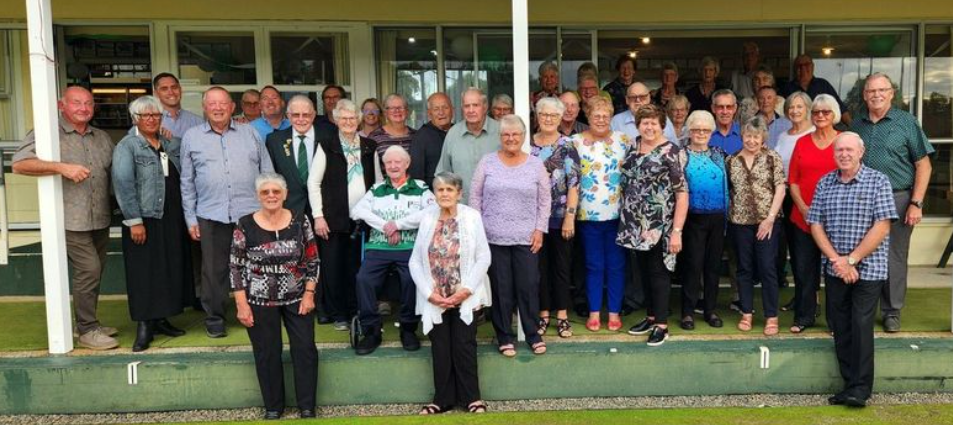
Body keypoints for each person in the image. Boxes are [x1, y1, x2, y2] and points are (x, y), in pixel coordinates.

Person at [12, 86, 119, 350]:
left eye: (88, 104)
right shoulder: (48, 134)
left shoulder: (101, 137)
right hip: (71, 218)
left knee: (95, 272)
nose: (83, 108)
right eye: (76, 103)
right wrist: (61, 167)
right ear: (62, 106)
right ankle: (86, 330)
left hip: (100, 217)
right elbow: (19, 163)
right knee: (89, 269)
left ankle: (88, 321)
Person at [808, 132, 897, 408]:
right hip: (836, 269)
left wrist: (853, 259)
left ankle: (861, 388)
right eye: (839, 150)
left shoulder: (878, 181)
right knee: (841, 327)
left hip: (868, 269)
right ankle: (849, 385)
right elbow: (815, 225)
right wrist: (838, 260)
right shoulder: (825, 183)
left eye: (849, 150)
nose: (844, 154)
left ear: (861, 152)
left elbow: (883, 225)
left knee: (860, 325)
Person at [180, 86, 275, 338]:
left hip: (251, 214)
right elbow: (187, 182)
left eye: (223, 103)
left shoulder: (250, 133)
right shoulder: (191, 137)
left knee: (257, 265)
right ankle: (215, 317)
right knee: (214, 270)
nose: (218, 108)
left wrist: (270, 210)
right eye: (212, 104)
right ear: (204, 107)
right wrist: (191, 218)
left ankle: (260, 310)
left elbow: (267, 173)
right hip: (211, 214)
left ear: (232, 107)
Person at [230, 173, 319, 420]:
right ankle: (273, 407)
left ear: (285, 194)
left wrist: (309, 293)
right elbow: (235, 267)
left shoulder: (300, 221)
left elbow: (312, 260)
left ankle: (307, 406)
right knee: (267, 352)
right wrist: (241, 304)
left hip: (297, 297)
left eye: (276, 191)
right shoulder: (245, 224)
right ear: (258, 196)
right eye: (265, 192)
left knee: (305, 350)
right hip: (258, 300)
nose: (271, 196)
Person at [851, 72, 934, 333]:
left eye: (881, 90)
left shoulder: (906, 122)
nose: (876, 95)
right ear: (864, 95)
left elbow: (924, 165)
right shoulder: (857, 125)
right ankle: (865, 307)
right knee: (863, 252)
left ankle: (891, 311)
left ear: (891, 93)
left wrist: (916, 203)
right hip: (863, 198)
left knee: (894, 256)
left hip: (899, 197)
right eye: (870, 91)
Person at [112, 96, 192, 352]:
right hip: (144, 218)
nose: (151, 120)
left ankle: (161, 318)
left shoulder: (168, 143)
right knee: (144, 272)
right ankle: (145, 323)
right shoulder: (128, 146)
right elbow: (123, 185)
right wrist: (135, 221)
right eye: (145, 116)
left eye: (156, 115)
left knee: (166, 268)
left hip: (170, 217)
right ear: (135, 118)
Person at [410, 171, 490, 415]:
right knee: (440, 348)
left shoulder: (472, 217)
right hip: (435, 298)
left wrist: (465, 291)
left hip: (465, 295)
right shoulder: (426, 219)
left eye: (449, 189)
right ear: (434, 194)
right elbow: (415, 262)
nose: (444, 194)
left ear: (459, 193)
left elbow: (483, 256)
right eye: (440, 190)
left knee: (464, 345)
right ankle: (441, 399)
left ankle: (472, 398)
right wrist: (428, 293)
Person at [470, 115, 551, 357]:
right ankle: (504, 336)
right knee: (502, 289)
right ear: (500, 137)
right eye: (506, 134)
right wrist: (477, 231)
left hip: (527, 238)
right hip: (493, 237)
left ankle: (532, 334)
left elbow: (545, 200)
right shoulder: (488, 162)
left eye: (516, 134)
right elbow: (475, 197)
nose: (511, 138)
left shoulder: (535, 165)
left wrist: (540, 229)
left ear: (523, 136)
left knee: (528, 286)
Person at [351, 146, 435, 355]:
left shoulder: (421, 187)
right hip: (378, 246)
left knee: (411, 279)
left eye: (398, 162)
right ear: (384, 166)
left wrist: (399, 225)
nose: (393, 166)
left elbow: (433, 210)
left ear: (407, 164)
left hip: (411, 248)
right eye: (389, 163)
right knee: (364, 280)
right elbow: (357, 211)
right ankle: (371, 331)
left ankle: (408, 328)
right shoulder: (376, 188)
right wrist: (385, 227)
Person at [618, 104, 688, 346]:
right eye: (644, 122)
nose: (649, 126)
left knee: (659, 274)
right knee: (643, 273)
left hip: (661, 224)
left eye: (653, 122)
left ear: (661, 125)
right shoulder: (633, 146)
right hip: (635, 224)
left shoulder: (671, 151)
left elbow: (682, 194)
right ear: (638, 125)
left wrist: (677, 231)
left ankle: (662, 325)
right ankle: (650, 317)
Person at [308, 99, 378, 331]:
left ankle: (356, 309)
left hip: (363, 220)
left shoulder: (369, 146)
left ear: (358, 120)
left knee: (357, 267)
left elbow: (377, 184)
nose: (348, 122)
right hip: (333, 219)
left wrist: (375, 215)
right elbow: (313, 183)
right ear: (336, 120)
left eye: (352, 118)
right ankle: (339, 314)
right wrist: (318, 216)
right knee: (334, 267)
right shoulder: (327, 145)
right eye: (343, 118)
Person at [570, 97, 629, 332]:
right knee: (594, 265)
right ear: (588, 116)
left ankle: (613, 312)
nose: (601, 120)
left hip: (618, 214)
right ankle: (595, 311)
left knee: (616, 265)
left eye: (606, 115)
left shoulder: (624, 141)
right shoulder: (575, 142)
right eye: (596, 116)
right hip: (588, 214)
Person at [726, 117, 786, 336]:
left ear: (763, 138)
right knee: (743, 268)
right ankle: (747, 312)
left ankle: (771, 316)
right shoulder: (731, 160)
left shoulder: (772, 158)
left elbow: (780, 188)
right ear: (742, 136)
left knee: (767, 268)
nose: (752, 140)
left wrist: (770, 218)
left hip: (767, 222)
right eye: (748, 136)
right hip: (740, 223)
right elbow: (730, 191)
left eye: (756, 136)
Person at [786, 93, 841, 332]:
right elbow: (793, 180)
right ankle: (804, 317)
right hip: (803, 217)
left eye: (825, 112)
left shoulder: (843, 140)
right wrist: (803, 207)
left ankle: (834, 321)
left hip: (836, 220)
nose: (820, 116)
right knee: (803, 270)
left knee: (835, 270)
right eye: (816, 112)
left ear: (834, 115)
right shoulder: (802, 142)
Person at [531, 97, 581, 339]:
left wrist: (569, 218)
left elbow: (574, 184)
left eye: (553, 115)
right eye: (544, 114)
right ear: (537, 116)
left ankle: (561, 315)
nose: (548, 119)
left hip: (561, 217)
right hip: (534, 220)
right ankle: (543, 314)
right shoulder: (528, 146)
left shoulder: (568, 145)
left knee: (562, 268)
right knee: (539, 269)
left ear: (561, 118)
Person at [680, 110, 729, 330]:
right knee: (693, 265)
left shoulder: (719, 153)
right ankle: (688, 312)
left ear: (711, 132)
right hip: (693, 218)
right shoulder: (682, 155)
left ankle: (710, 310)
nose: (701, 133)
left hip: (718, 218)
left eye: (706, 130)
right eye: (696, 129)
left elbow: (728, 186)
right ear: (689, 131)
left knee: (712, 266)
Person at [435, 87, 501, 203]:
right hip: (462, 210)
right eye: (467, 106)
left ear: (485, 107)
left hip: (495, 208)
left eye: (475, 105)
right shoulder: (453, 134)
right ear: (462, 109)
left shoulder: (500, 132)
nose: (471, 110)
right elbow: (443, 175)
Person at [264, 95, 323, 216]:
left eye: (306, 115)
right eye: (296, 115)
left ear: (313, 115)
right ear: (288, 116)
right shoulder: (275, 140)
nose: (301, 119)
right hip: (288, 210)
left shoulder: (329, 137)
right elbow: (271, 177)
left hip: (324, 211)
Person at [781, 54, 849, 123]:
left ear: (813, 66)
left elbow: (840, 108)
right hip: (797, 130)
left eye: (806, 64)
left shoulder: (823, 85)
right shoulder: (787, 88)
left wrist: (852, 128)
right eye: (799, 66)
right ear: (794, 69)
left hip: (822, 128)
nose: (803, 68)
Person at [410, 92, 454, 189]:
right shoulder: (420, 137)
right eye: (436, 109)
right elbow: (416, 176)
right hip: (433, 197)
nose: (441, 112)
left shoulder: (458, 132)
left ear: (452, 110)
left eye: (445, 108)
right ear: (429, 114)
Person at [610, 82, 678, 142]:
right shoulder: (616, 122)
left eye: (642, 97)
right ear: (627, 100)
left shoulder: (663, 118)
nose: (638, 100)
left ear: (649, 98)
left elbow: (675, 147)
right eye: (633, 97)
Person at [150, 73, 204, 138]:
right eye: (164, 89)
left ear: (180, 90)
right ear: (156, 94)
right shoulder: (148, 122)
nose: (171, 92)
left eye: (174, 87)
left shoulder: (198, 121)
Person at [369, 93, 416, 169]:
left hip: (413, 180)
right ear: (385, 113)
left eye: (401, 107)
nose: (397, 111)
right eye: (392, 108)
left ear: (407, 112)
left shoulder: (417, 136)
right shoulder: (374, 138)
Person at [757, 86, 792, 150]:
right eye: (761, 98)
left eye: (769, 98)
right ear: (757, 101)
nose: (765, 101)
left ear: (775, 101)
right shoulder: (749, 124)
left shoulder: (787, 124)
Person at [709, 89, 743, 154]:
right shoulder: (704, 135)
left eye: (729, 107)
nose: (725, 112)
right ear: (713, 108)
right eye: (720, 107)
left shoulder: (744, 133)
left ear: (735, 108)